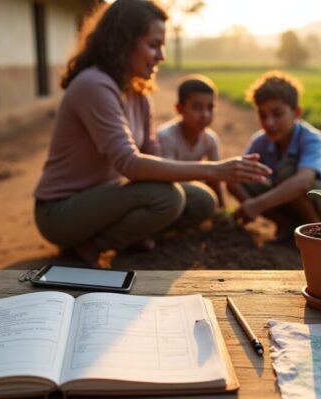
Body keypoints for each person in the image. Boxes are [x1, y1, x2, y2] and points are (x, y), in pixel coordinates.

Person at [33, 0, 271, 265]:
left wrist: (205, 178)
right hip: (61, 212)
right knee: (167, 198)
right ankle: (93, 245)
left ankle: (133, 233)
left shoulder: (138, 93)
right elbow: (130, 164)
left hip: (108, 197)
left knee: (202, 200)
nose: (162, 56)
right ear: (123, 43)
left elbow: (151, 152)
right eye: (154, 45)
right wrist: (212, 170)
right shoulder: (94, 85)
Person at [228, 70, 321, 241]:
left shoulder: (312, 138)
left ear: (296, 112)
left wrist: (256, 205)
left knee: (289, 173)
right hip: (288, 199)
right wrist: (247, 203)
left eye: (277, 114)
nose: (269, 122)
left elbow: (303, 182)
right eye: (262, 115)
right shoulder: (260, 141)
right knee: (235, 176)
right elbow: (237, 174)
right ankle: (284, 224)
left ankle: (316, 232)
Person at [157, 74, 226, 209]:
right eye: (196, 107)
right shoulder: (166, 137)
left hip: (191, 194)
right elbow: (167, 179)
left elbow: (215, 181)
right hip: (169, 195)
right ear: (179, 109)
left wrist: (222, 211)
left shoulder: (210, 139)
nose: (205, 115)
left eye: (210, 108)